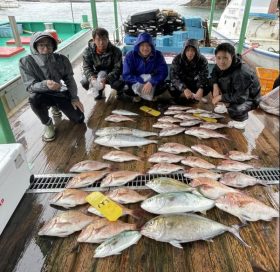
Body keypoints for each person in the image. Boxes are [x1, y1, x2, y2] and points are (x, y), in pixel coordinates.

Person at [19, 32, 85, 142]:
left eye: (48, 45)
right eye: (41, 45)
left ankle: (56, 107)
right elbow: (30, 86)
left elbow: (69, 79)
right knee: (33, 98)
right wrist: (45, 84)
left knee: (79, 119)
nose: (45, 48)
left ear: (53, 46)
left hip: (59, 91)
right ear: (35, 47)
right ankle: (47, 123)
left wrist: (74, 97)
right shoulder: (25, 62)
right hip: (41, 94)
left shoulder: (62, 59)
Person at [211, 43, 261, 129]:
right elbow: (214, 73)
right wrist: (215, 86)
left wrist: (220, 97)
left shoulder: (241, 72)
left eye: (225, 58)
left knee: (235, 108)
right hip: (236, 91)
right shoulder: (220, 64)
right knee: (211, 83)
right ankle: (226, 106)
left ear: (232, 57)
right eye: (218, 58)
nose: (221, 61)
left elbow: (240, 97)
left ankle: (241, 120)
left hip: (249, 98)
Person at [122, 32, 168, 102]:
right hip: (136, 82)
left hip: (152, 82)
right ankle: (137, 95)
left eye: (148, 45)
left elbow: (163, 72)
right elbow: (126, 75)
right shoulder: (130, 55)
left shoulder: (158, 55)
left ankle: (152, 95)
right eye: (142, 45)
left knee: (164, 85)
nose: (145, 48)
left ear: (152, 46)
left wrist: (151, 82)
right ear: (138, 46)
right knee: (125, 88)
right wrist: (140, 81)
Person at [81, 27, 124, 100]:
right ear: (94, 40)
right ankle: (99, 91)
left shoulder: (116, 51)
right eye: (98, 39)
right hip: (96, 74)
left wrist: (107, 78)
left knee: (119, 83)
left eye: (104, 39)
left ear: (108, 39)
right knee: (85, 81)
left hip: (111, 73)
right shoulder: (87, 51)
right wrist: (92, 77)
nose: (101, 43)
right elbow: (86, 67)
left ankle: (119, 91)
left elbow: (118, 68)